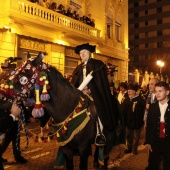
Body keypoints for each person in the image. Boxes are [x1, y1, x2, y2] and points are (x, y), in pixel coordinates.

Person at [71, 43, 120, 167]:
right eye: (81, 53)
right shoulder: (78, 68)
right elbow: (75, 83)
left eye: (84, 53)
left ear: (89, 53)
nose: (82, 55)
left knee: (98, 110)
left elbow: (100, 83)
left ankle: (100, 134)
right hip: (80, 95)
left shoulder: (97, 65)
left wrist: (90, 90)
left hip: (94, 95)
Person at [145, 81, 170, 170]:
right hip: (155, 142)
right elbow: (149, 126)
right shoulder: (153, 107)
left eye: (160, 91)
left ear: (167, 92)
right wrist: (148, 141)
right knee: (153, 165)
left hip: (168, 143)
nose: (157, 94)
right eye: (156, 91)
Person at [0, 92, 27, 165]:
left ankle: (17, 156)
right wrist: (14, 105)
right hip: (6, 120)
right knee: (9, 138)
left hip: (12, 119)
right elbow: (3, 105)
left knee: (15, 138)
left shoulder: (7, 91)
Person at [123, 84, 146, 155]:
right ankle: (129, 148)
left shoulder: (140, 99)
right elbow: (123, 111)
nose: (128, 93)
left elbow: (145, 109)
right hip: (129, 121)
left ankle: (134, 149)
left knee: (136, 137)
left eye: (130, 91)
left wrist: (144, 120)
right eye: (128, 91)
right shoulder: (126, 100)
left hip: (137, 121)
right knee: (128, 136)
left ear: (134, 92)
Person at [0, 100, 21, 170]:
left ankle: (18, 156)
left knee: (11, 139)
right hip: (8, 122)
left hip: (9, 123)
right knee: (8, 139)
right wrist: (13, 115)